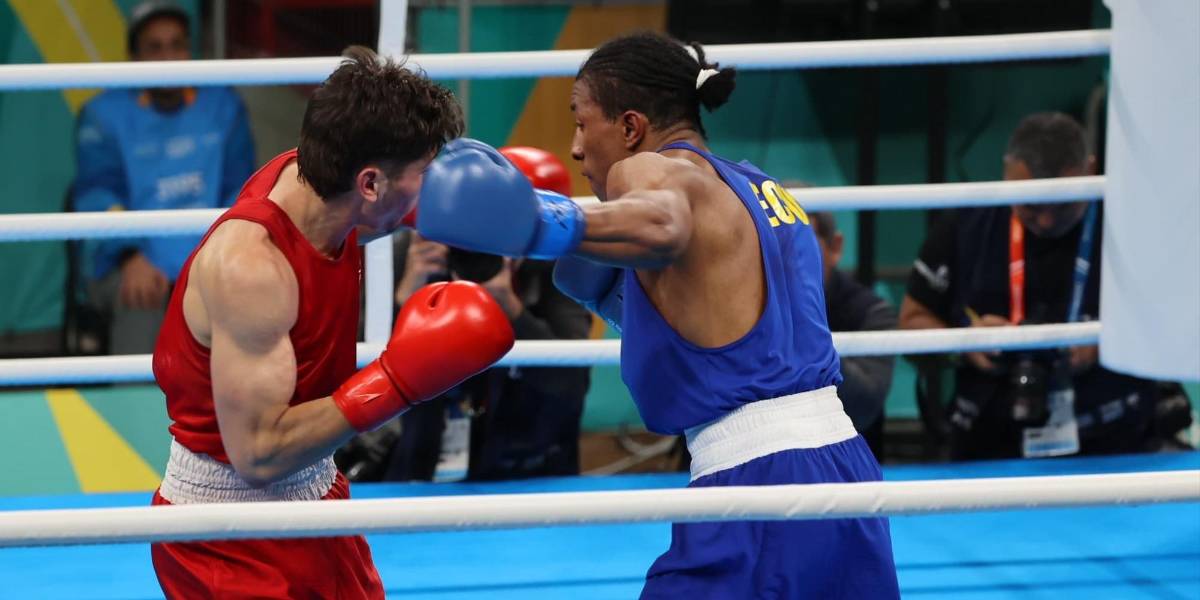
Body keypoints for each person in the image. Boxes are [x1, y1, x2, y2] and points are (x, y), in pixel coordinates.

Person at [414, 32, 899, 599]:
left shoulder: (648, 171)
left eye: (579, 120)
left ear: (629, 128)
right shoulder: (764, 190)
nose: (574, 147)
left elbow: (662, 223)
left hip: (759, 485)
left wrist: (537, 223)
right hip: (846, 468)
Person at [148, 46, 514, 599]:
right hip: (226, 535)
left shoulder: (327, 179)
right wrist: (394, 382)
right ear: (370, 184)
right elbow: (258, 455)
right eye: (425, 173)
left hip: (317, 495)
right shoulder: (253, 268)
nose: (432, 187)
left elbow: (395, 196)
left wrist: (520, 220)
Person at [899, 112, 1171, 460]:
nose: (1045, 220)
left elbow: (1176, 324)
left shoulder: (1133, 226)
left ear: (1091, 169)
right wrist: (964, 341)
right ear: (1006, 172)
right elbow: (911, 321)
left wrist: (1112, 340)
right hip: (988, 443)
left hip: (1116, 439)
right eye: (1029, 205)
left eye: (1063, 205)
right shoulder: (965, 225)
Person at [338, 147, 592, 483]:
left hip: (526, 469)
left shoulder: (556, 266)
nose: (484, 240)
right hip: (420, 466)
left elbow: (572, 383)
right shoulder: (416, 253)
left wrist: (510, 307)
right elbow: (355, 369)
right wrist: (406, 298)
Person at [73, 0, 255, 354]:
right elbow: (97, 193)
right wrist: (129, 256)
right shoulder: (103, 115)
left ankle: (229, 408)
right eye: (155, 47)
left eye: (177, 45)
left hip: (212, 258)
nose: (169, 57)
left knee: (248, 290)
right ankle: (133, 409)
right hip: (132, 263)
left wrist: (222, 257)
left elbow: (242, 191)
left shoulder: (224, 107)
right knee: (140, 295)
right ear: (135, 57)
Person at [811, 212, 897, 458]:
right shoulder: (739, 310)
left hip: (851, 470)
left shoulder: (871, 311)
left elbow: (864, 405)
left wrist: (806, 331)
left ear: (834, 247)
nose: (785, 258)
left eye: (799, 243)